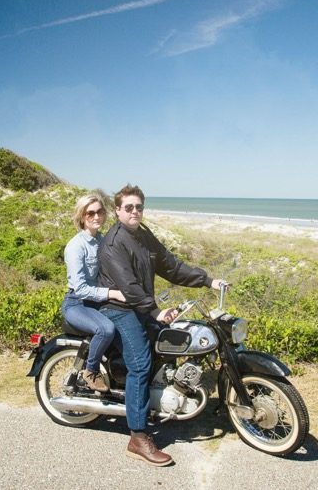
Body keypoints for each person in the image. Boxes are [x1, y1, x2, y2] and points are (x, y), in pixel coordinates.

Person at [98, 184, 224, 467]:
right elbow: (128, 286)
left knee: (169, 343)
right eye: (128, 207)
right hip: (118, 308)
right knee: (140, 362)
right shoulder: (114, 242)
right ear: (117, 210)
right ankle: (138, 437)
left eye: (138, 207)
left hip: (140, 304)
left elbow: (170, 265)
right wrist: (154, 311)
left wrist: (207, 280)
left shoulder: (142, 235)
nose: (134, 211)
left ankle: (157, 400)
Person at [61, 194, 126, 392]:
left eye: (100, 212)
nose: (96, 216)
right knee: (105, 329)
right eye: (90, 213)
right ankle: (90, 372)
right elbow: (80, 288)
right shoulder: (75, 247)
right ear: (82, 217)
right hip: (77, 303)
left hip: (94, 302)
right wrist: (112, 294)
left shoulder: (102, 240)